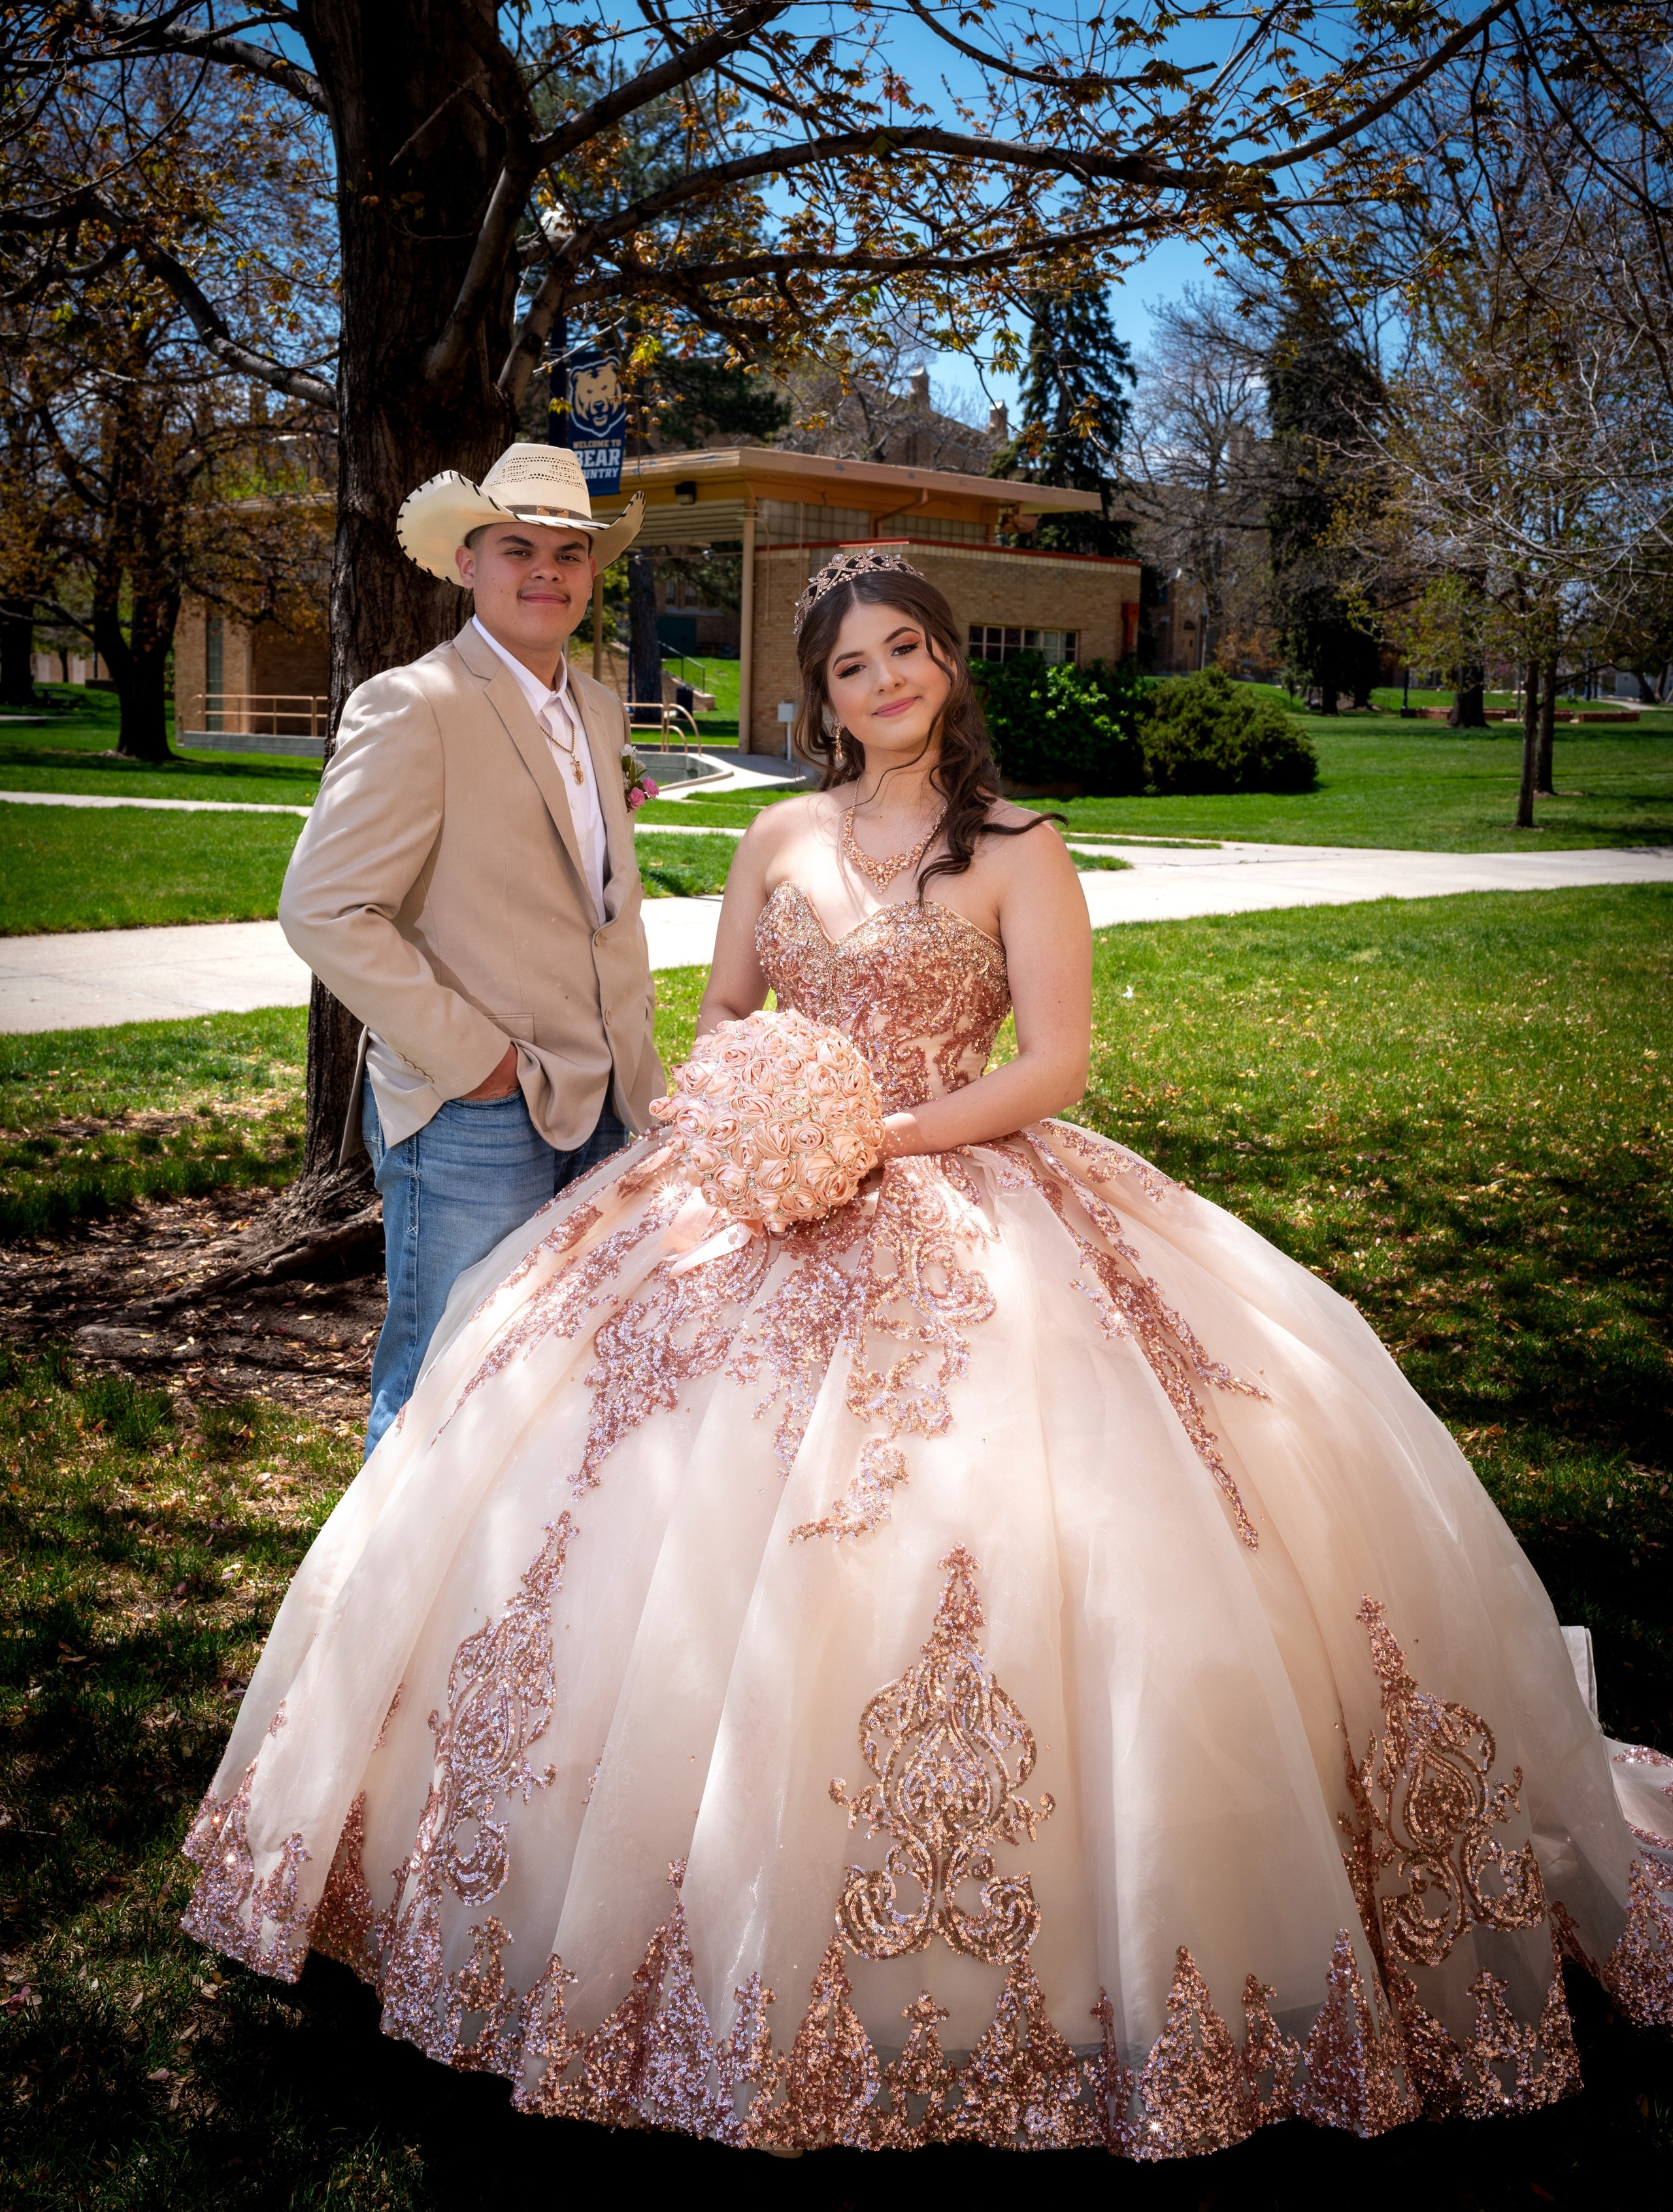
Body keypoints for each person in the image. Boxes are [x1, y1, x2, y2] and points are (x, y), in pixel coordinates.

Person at [188, 550, 1672, 2160]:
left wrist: (877, 1136)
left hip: (958, 1181)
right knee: (600, 1484)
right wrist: (749, 1113)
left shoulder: (1020, 847)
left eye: (906, 650)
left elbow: (1054, 1062)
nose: (883, 680)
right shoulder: (775, 837)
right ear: (820, 698)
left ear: (947, 665)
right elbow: (726, 1014)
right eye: (850, 665)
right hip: (756, 1200)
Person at [278, 444, 659, 1455]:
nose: (547, 571)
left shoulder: (599, 708)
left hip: (610, 1097)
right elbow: (323, 908)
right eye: (517, 549)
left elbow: (592, 901)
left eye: (569, 553)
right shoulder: (416, 703)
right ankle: (389, 1567)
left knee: (570, 1373)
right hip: (474, 1111)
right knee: (444, 1381)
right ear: (467, 563)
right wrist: (477, 1062)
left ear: (591, 571)